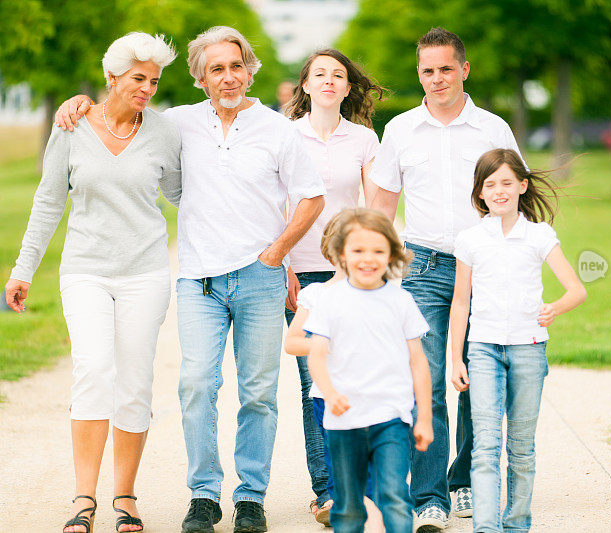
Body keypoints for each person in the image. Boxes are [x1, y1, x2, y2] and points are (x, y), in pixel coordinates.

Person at [54, 26, 325, 533]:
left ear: (250, 71)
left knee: (259, 392)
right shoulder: (174, 124)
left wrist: (278, 252)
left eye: (236, 66)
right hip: (199, 279)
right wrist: (79, 102)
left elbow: (311, 196)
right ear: (200, 78)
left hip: (260, 277)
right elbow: (120, 110)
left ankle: (250, 498)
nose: (228, 77)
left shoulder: (276, 129)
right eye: (216, 69)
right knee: (197, 385)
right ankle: (203, 495)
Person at [5, 32, 181, 533]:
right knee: (94, 371)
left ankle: (125, 495)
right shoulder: (73, 124)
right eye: (137, 79)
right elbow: (48, 201)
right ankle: (84, 498)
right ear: (112, 77)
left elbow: (185, 195)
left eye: (154, 80)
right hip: (85, 269)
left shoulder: (164, 133)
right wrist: (22, 270)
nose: (146, 88)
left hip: (145, 272)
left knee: (135, 382)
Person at [368, 27, 524, 531]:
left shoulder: (493, 129)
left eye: (446, 69)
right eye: (428, 71)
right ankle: (428, 496)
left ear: (464, 70)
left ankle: (462, 481)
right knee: (428, 380)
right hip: (424, 268)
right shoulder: (401, 131)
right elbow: (382, 205)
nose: (437, 79)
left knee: (481, 379)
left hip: (487, 268)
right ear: (420, 74)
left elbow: (513, 200)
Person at [450, 148, 586, 532]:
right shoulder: (471, 239)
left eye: (507, 183)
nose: (499, 191)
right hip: (482, 350)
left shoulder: (539, 236)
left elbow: (576, 290)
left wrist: (554, 308)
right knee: (485, 447)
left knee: (521, 449)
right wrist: (455, 358)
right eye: (489, 184)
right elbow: (460, 304)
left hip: (528, 349)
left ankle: (516, 525)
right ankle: (486, 528)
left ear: (522, 187)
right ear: (479, 193)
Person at [283, 48, 384, 523]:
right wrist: (280, 261)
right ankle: (327, 491)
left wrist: (372, 266)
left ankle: (354, 484)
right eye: (319, 73)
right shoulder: (285, 136)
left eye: (338, 75)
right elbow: (273, 201)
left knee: (353, 378)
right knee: (314, 383)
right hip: (299, 273)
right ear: (305, 85)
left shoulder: (364, 139)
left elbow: (374, 207)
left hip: (350, 273)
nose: (328, 80)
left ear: (347, 88)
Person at [304, 208, 434, 533]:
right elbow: (316, 356)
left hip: (391, 417)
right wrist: (330, 394)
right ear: (341, 254)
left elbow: (418, 361)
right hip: (343, 421)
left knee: (393, 494)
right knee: (348, 506)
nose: (368, 259)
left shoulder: (401, 301)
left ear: (392, 254)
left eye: (378, 251)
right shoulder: (330, 300)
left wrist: (426, 418)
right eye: (358, 250)